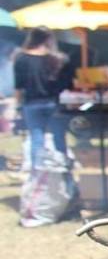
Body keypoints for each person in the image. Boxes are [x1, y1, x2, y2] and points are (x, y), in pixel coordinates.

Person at [13, 27, 73, 168]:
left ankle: (36, 170)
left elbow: (19, 85)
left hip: (31, 103)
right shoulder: (58, 59)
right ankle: (64, 168)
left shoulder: (21, 58)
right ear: (49, 39)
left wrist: (16, 105)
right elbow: (67, 84)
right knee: (59, 137)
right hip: (54, 103)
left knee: (36, 137)